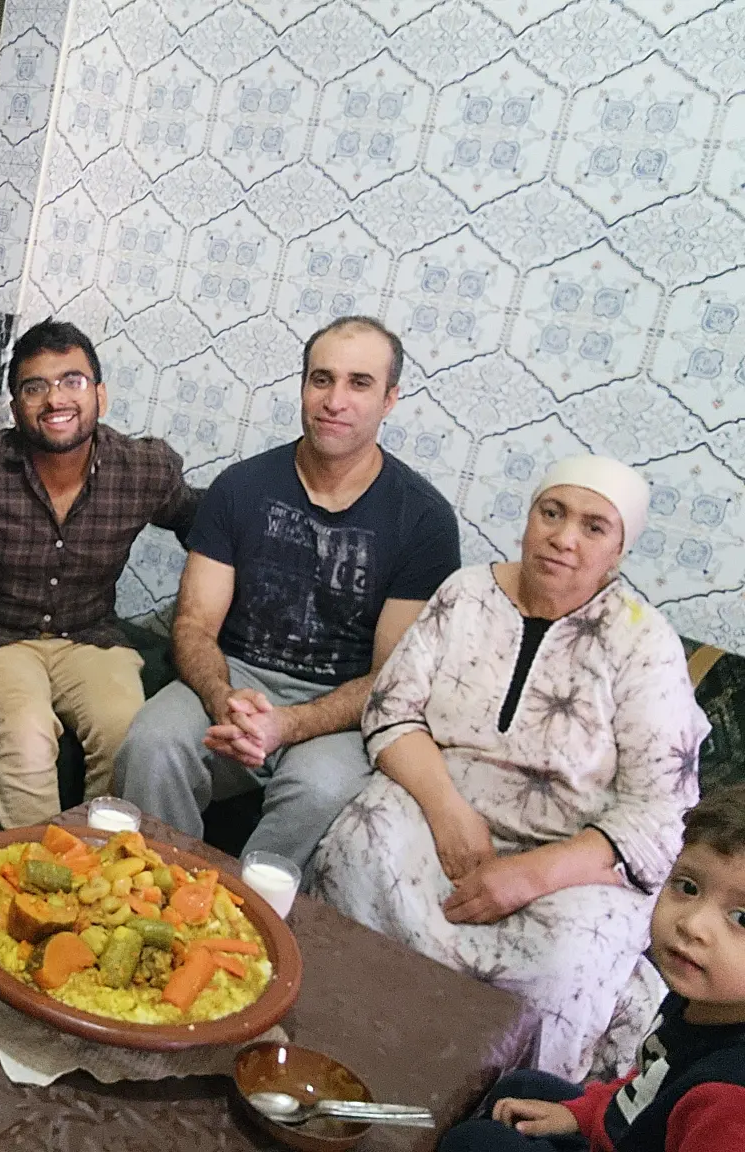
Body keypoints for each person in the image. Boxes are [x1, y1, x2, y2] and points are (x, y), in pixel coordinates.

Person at [312, 455, 711, 1081]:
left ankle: (494, 1111)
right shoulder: (466, 593)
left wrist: (527, 876)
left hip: (570, 860)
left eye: (593, 526)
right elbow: (392, 712)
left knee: (568, 958)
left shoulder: (642, 642)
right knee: (360, 846)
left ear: (619, 550)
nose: (563, 537)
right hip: (441, 809)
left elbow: (663, 812)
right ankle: (325, 1038)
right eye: (551, 513)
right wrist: (449, 814)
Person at [115, 316, 460, 870]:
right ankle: (155, 897)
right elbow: (194, 625)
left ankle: (246, 929)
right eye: (321, 379)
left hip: (341, 703)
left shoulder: (424, 520)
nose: (335, 400)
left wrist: (288, 726)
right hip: (236, 678)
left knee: (320, 789)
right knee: (152, 744)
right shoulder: (241, 488)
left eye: (359, 383)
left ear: (390, 399)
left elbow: (389, 677)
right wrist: (222, 697)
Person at [0, 318, 198, 829]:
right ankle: (34, 887)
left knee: (126, 733)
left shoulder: (143, 469)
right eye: (35, 387)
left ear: (100, 394)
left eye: (72, 381)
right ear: (15, 407)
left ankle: (100, 879)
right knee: (27, 733)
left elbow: (201, 524)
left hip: (88, 637)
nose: (56, 399)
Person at [439, 784, 745, 1151]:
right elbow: (646, 1090)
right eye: (688, 886)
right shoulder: (703, 1001)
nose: (692, 924)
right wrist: (581, 1115)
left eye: (741, 917)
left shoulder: (729, 1105)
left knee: (475, 1143)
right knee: (521, 1089)